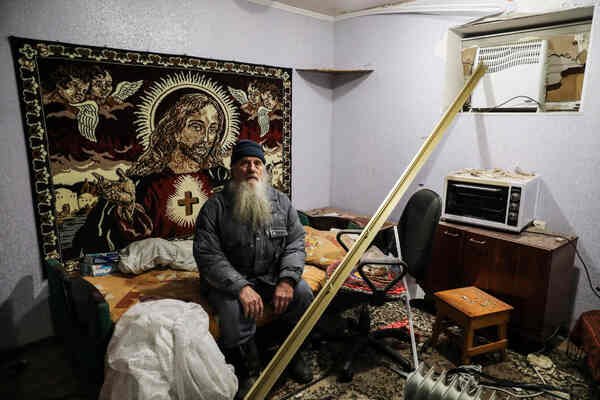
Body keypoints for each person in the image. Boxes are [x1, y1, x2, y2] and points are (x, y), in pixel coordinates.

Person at [193, 139, 313, 399]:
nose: (251, 168)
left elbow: (296, 243)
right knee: (231, 308)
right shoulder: (214, 208)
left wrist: (287, 280)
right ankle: (246, 368)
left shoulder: (281, 202)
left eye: (257, 163)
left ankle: (294, 351)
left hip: (271, 276)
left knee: (303, 292)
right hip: (231, 280)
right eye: (244, 163)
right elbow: (208, 256)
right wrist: (241, 287)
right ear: (233, 170)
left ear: (264, 170)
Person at [72, 93, 230, 256]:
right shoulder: (143, 184)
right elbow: (107, 242)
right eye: (196, 127)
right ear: (175, 131)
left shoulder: (218, 178)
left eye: (212, 129)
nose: (206, 138)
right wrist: (126, 209)